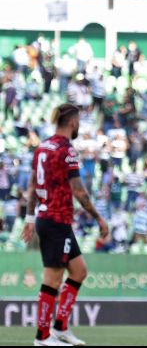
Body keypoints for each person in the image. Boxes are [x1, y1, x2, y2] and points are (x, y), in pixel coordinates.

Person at [21, 103, 110, 347]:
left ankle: (60, 327)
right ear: (72, 122)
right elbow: (79, 192)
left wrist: (30, 218)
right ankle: (42, 337)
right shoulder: (65, 150)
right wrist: (99, 218)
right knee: (52, 279)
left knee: (79, 271)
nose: (79, 125)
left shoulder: (42, 147)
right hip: (56, 221)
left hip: (49, 219)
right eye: (79, 121)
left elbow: (32, 185)